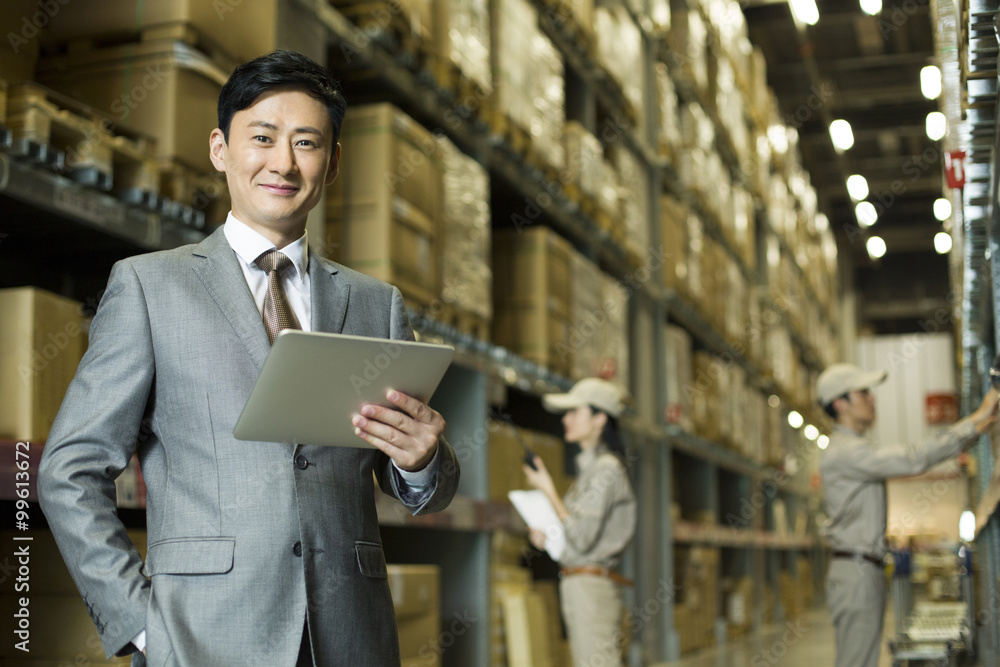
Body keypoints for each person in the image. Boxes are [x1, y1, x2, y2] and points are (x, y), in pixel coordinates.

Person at [37, 50, 460, 666]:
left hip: (349, 636)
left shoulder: (377, 304)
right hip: (201, 636)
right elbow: (69, 469)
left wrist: (424, 462)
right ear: (220, 148)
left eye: (307, 143)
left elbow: (425, 486)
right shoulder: (150, 288)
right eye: (262, 137)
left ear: (334, 162)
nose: (283, 163)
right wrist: (140, 624)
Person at [817, 363, 997, 667]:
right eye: (863, 392)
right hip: (856, 571)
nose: (872, 399)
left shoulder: (854, 448)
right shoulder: (845, 452)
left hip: (863, 567)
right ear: (840, 403)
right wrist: (976, 420)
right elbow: (913, 458)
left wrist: (977, 425)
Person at [522, 377, 637, 667]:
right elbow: (574, 536)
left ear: (599, 419)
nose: (567, 419)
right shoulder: (591, 471)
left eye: (575, 412)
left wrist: (548, 489)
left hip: (592, 587)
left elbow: (582, 535)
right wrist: (547, 536)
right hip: (578, 582)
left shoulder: (607, 470)